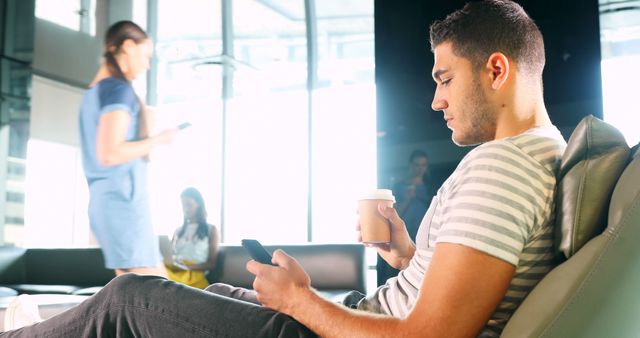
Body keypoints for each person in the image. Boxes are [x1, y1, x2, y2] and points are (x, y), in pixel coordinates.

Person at [2, 1, 567, 337]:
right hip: (347, 319)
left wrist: (301, 301)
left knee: (130, 299)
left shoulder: (504, 167)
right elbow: (448, 299)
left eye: (445, 79)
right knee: (217, 288)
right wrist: (405, 256)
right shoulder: (531, 157)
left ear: (496, 69)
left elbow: (430, 335)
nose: (436, 101)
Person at [79, 20, 178, 277]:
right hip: (123, 206)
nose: (147, 65)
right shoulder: (117, 90)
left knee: (135, 298)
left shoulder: (95, 92)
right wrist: (160, 139)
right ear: (128, 46)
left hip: (112, 204)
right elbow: (110, 153)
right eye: (146, 56)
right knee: (161, 297)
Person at [377, 150, 433, 285]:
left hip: (424, 235)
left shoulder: (431, 187)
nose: (420, 168)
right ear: (410, 165)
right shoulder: (398, 186)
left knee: (421, 272)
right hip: (401, 232)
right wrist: (407, 199)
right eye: (417, 165)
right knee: (396, 272)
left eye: (423, 165)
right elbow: (391, 213)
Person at [164, 187, 219, 289]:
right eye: (183, 205)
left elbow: (211, 263)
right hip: (176, 270)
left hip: (194, 272)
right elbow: (169, 256)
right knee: (156, 271)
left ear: (198, 204)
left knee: (165, 279)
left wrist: (188, 267)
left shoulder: (211, 230)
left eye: (188, 204)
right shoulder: (178, 231)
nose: (185, 208)